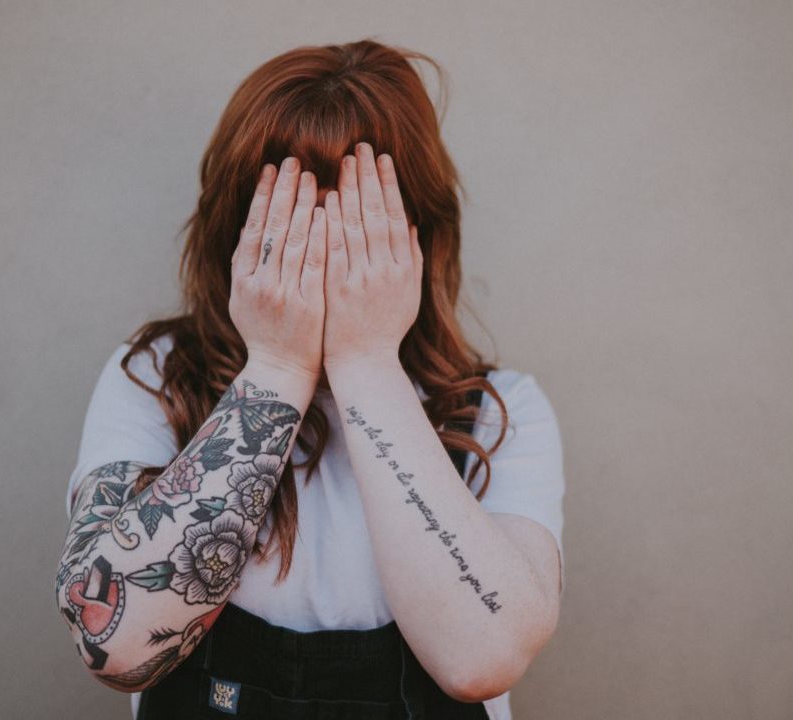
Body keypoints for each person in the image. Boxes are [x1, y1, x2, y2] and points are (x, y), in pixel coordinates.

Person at [55, 39, 565, 720]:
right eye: (287, 213)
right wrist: (276, 368)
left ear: (414, 229)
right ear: (235, 226)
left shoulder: (501, 413)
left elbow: (483, 658)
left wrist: (367, 362)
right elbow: (110, 642)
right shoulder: (154, 379)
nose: (315, 245)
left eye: (353, 218)